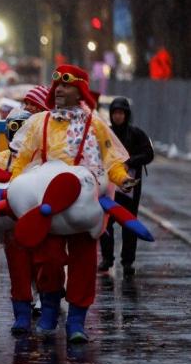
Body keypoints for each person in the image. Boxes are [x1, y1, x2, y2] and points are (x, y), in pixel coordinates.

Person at [9, 65, 137, 343]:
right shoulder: (39, 122)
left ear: (79, 90)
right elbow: (21, 159)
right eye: (57, 87)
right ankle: (50, 309)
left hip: (84, 204)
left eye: (65, 87)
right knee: (49, 261)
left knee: (83, 263)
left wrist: (122, 178)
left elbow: (111, 160)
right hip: (48, 203)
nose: (59, 91)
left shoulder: (95, 124)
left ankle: (76, 321)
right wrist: (14, 190)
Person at [0, 104, 48, 335]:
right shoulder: (1, 157)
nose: (20, 134)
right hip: (11, 227)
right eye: (15, 128)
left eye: (24, 128)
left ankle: (46, 303)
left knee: (42, 265)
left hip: (37, 222)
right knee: (18, 271)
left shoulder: (41, 158)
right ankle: (22, 315)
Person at [98, 97, 154, 277]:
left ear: (126, 115)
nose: (117, 117)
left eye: (121, 113)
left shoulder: (136, 134)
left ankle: (128, 261)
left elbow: (148, 154)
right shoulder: (106, 133)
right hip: (109, 186)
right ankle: (107, 258)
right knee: (106, 223)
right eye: (115, 113)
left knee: (129, 224)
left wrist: (132, 161)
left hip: (130, 186)